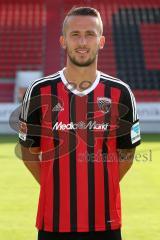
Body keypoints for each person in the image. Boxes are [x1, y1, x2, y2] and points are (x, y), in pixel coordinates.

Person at [19, 6, 141, 240]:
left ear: (102, 41)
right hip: (53, 223)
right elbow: (29, 153)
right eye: (75, 34)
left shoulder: (121, 93)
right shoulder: (39, 92)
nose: (82, 42)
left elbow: (127, 155)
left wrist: (101, 187)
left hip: (105, 224)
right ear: (63, 41)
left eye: (90, 34)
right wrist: (54, 188)